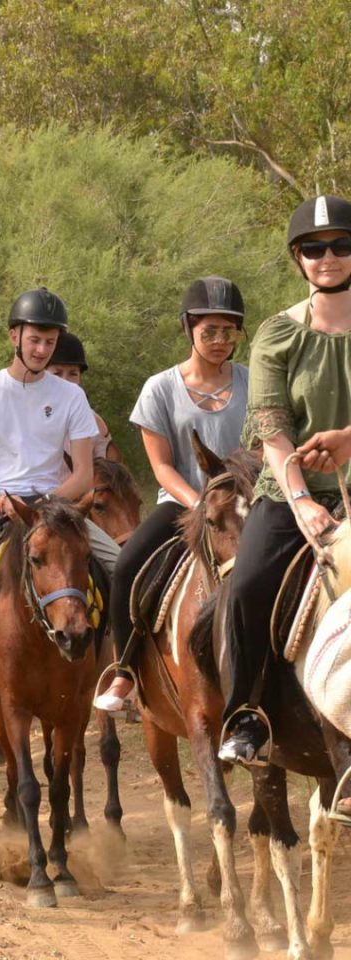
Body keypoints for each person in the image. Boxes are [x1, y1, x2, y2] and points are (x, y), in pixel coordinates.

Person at [0, 287, 121, 740]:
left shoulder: (70, 398)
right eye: (34, 340)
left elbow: (85, 473)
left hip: (56, 506)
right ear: (15, 335)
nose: (42, 349)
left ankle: (122, 676)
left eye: (50, 342)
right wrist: (0, 500)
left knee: (123, 568)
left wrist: (46, 504)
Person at [219, 196, 351, 765]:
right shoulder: (277, 334)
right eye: (315, 249)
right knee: (247, 586)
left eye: (342, 245)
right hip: (290, 491)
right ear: (299, 259)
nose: (329, 257)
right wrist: (301, 502)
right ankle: (249, 714)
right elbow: (272, 426)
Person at [95, 276, 249, 713]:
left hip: (244, 504)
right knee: (126, 568)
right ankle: (124, 672)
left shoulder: (253, 382)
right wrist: (200, 504)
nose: (220, 341)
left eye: (229, 331)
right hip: (184, 503)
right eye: (209, 332)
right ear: (189, 329)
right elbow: (162, 467)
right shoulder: (159, 388)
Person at [47, 330, 122, 462]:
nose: (65, 381)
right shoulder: (21, 414)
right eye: (57, 373)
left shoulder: (93, 421)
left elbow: (111, 473)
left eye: (73, 373)